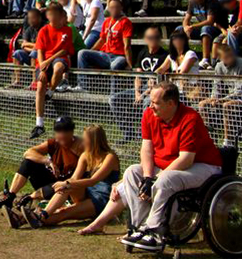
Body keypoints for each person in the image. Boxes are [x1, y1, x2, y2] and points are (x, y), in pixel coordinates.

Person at [79, 83, 221, 246]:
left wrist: (155, 178)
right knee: (132, 172)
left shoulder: (190, 118)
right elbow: (146, 149)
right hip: (168, 166)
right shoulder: (149, 115)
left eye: (156, 103)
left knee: (166, 179)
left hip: (203, 166)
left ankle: (154, 230)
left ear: (171, 103)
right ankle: (140, 228)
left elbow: (186, 159)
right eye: (151, 102)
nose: (151, 106)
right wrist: (147, 177)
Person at [16, 125, 120, 229]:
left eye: (85, 140)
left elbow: (93, 181)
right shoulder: (85, 156)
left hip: (102, 199)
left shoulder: (110, 157)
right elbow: (74, 178)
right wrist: (63, 185)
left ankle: (28, 218)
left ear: (94, 141)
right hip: (87, 193)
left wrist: (66, 183)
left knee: (63, 212)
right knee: (67, 186)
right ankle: (34, 216)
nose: (82, 143)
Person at [0, 116, 83, 218]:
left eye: (65, 134)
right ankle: (10, 196)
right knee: (29, 161)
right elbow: (28, 153)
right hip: (51, 180)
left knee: (59, 187)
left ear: (72, 132)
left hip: (66, 188)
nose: (62, 139)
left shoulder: (81, 147)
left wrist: (34, 195)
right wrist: (48, 161)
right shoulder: (54, 143)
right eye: (59, 134)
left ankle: (32, 202)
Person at [30, 3, 75, 139]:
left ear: (61, 16)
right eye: (50, 14)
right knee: (40, 85)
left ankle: (51, 91)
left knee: (59, 68)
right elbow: (39, 50)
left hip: (58, 59)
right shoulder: (43, 30)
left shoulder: (67, 30)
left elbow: (64, 50)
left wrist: (47, 62)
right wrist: (42, 68)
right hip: (44, 62)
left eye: (55, 14)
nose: (52, 17)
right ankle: (39, 124)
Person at [181, 0, 227, 70]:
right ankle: (182, 57)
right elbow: (186, 19)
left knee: (205, 29)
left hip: (216, 28)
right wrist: (186, 27)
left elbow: (210, 21)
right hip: (200, 28)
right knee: (179, 30)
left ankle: (205, 59)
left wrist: (192, 27)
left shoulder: (211, 1)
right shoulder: (192, 2)